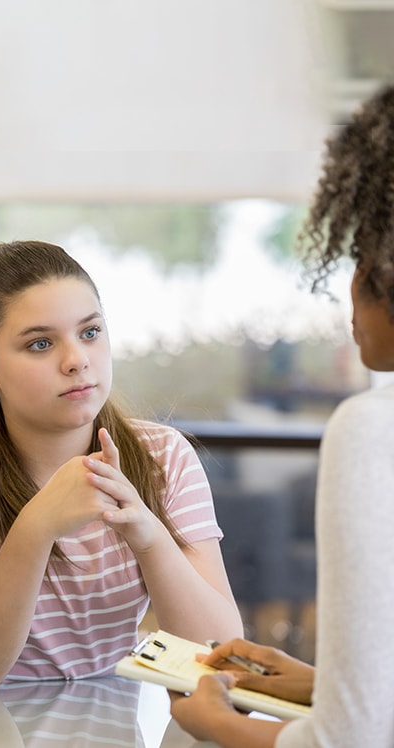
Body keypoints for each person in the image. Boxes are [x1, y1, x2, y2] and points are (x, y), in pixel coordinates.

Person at [0, 240, 244, 691]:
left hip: (100, 726)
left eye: (90, 332)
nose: (76, 360)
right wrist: (39, 524)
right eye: (40, 343)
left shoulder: (163, 457)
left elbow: (219, 655)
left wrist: (150, 538)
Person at [169, 84, 394, 747]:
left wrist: (218, 728)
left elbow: (346, 743)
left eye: (361, 249)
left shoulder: (374, 429)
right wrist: (316, 682)